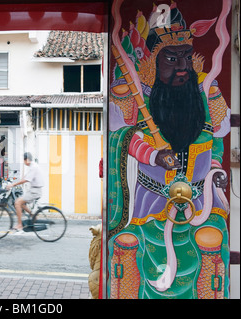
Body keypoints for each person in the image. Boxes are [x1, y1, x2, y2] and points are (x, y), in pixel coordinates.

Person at [108, 1, 230, 298]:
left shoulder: (203, 91)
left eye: (186, 58)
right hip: (150, 205)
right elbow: (121, 135)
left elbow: (217, 136)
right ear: (152, 62)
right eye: (171, 59)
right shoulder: (136, 96)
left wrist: (214, 167)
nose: (182, 68)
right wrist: (153, 155)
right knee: (127, 248)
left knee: (211, 244)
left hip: (199, 202)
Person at [6, 152, 43, 231]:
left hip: (35, 191)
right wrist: (16, 182)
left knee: (17, 202)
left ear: (27, 160)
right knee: (21, 202)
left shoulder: (33, 167)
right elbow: (25, 176)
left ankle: (19, 225)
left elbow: (26, 180)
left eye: (24, 160)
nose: (23, 162)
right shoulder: (32, 166)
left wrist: (13, 185)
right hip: (34, 190)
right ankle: (33, 215)